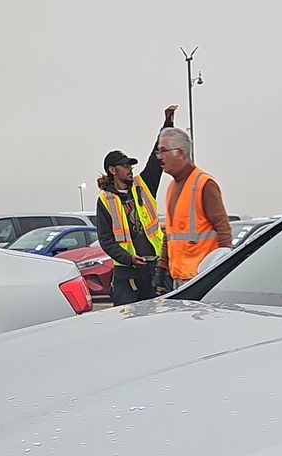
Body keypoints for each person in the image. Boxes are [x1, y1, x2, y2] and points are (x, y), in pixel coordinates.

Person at [95, 104, 178, 306]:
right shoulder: (105, 201)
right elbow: (106, 241)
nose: (130, 169)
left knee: (155, 322)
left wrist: (167, 124)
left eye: (131, 165)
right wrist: (129, 258)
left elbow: (156, 157)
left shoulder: (143, 185)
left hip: (153, 271)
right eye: (125, 165)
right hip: (126, 276)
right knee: (127, 325)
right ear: (112, 170)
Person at [154, 128, 233, 289]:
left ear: (181, 153)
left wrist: (224, 270)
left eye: (163, 151)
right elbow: (169, 235)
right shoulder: (171, 188)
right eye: (158, 151)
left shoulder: (204, 184)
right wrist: (161, 270)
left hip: (202, 280)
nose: (159, 157)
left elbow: (223, 229)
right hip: (179, 279)